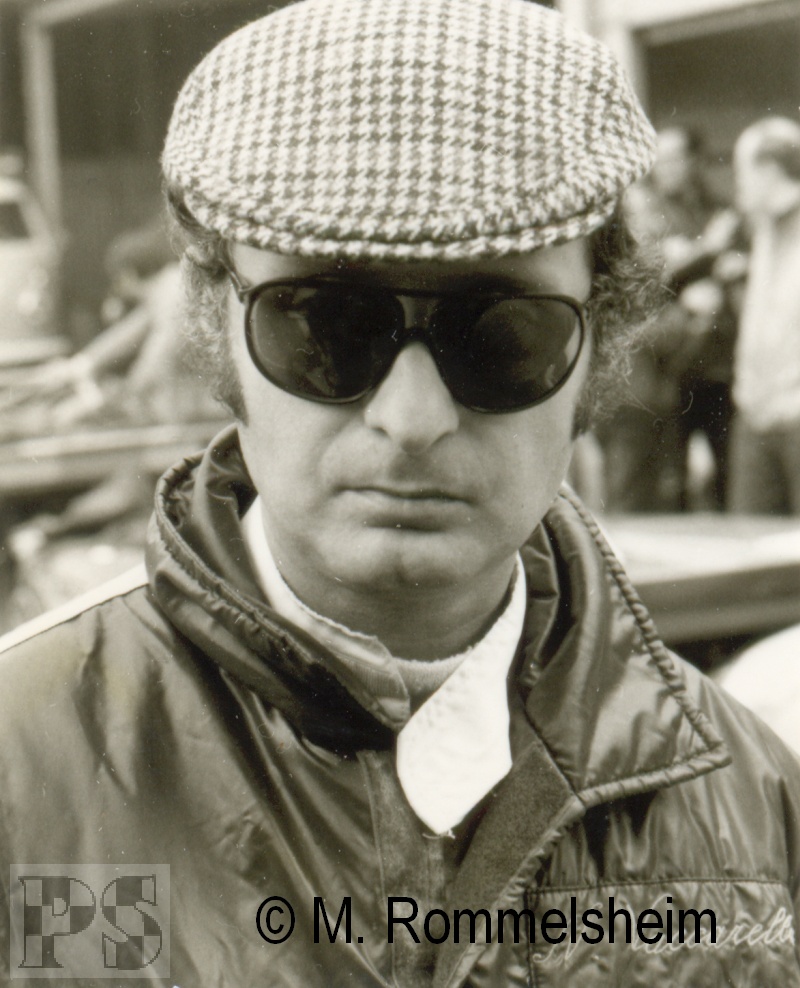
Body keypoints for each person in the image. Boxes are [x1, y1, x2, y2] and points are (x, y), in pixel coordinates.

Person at [0, 1, 799, 985]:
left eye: (502, 335)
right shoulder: (27, 773)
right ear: (217, 331)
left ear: (599, 348)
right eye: (325, 326)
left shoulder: (752, 809)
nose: (412, 417)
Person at [599, 126, 739, 512]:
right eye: (659, 161)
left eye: (674, 159)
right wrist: (704, 258)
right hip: (659, 374)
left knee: (714, 478)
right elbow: (642, 301)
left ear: (694, 161)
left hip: (710, 364)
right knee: (649, 487)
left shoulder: (713, 207)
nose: (665, 168)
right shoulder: (645, 216)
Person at [728, 116, 800, 514]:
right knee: (748, 541)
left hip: (793, 417)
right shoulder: (762, 230)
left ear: (770, 170)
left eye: (743, 170)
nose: (737, 183)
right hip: (754, 417)